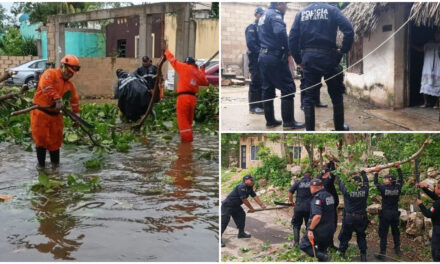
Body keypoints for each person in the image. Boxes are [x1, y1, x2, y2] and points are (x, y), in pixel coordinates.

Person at [289, 2, 354, 131]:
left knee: (309, 96)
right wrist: (343, 50)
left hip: (309, 58)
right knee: (336, 94)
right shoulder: (332, 10)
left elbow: (292, 39)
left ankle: (309, 129)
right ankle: (339, 127)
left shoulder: (301, 13)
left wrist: (299, 60)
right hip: (329, 57)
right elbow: (349, 30)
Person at [257, 2, 305, 130]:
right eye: (285, 4)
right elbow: (280, 33)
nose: (287, 7)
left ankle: (270, 121)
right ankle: (289, 123)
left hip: (263, 56)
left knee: (267, 88)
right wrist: (288, 50)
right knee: (288, 87)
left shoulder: (263, 16)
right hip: (274, 57)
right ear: (278, 4)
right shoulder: (275, 15)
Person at [31, 55, 81, 168]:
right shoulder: (50, 73)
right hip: (41, 112)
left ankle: (55, 168)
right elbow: (46, 86)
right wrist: (57, 98)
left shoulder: (69, 85)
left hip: (55, 115)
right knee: (41, 141)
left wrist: (76, 115)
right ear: (63, 66)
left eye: (72, 73)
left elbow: (74, 100)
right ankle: (41, 167)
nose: (69, 74)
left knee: (55, 142)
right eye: (68, 71)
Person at [163, 43, 209, 142]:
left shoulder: (184, 67)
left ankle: (186, 145)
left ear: (186, 62)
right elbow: (205, 82)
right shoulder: (198, 73)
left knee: (183, 121)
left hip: (183, 98)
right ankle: (188, 139)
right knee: (189, 121)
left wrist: (166, 51)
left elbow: (172, 61)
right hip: (193, 99)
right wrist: (203, 70)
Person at [221, 175, 266, 247]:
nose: (252, 182)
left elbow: (254, 196)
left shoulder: (249, 187)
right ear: (246, 180)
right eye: (251, 180)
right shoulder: (241, 187)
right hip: (227, 205)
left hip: (236, 206)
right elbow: (244, 199)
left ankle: (241, 233)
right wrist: (251, 208)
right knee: (224, 222)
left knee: (241, 215)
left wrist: (261, 205)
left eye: (253, 180)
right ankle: (219, 238)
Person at [299, 178, 335, 261]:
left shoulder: (317, 198)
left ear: (314, 187)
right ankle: (323, 257)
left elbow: (317, 216)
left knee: (304, 245)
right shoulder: (329, 195)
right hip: (329, 228)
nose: (310, 189)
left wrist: (310, 230)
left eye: (310, 187)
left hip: (319, 228)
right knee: (322, 248)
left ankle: (324, 257)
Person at [337, 171, 369, 261]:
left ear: (353, 183)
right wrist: (363, 173)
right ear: (360, 183)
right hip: (361, 218)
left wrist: (340, 172)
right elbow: (366, 182)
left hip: (349, 218)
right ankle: (363, 255)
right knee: (361, 236)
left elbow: (340, 182)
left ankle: (342, 253)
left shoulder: (347, 191)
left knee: (345, 235)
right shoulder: (364, 190)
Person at [374, 162, 403, 259]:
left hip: (385, 215)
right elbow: (401, 181)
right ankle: (397, 249)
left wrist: (376, 172)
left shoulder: (383, 188)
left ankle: (382, 253)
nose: (384, 180)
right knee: (395, 232)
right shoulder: (397, 188)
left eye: (386, 179)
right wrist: (398, 168)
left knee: (383, 233)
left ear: (390, 181)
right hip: (394, 214)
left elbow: (376, 183)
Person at [245, 6, 265, 115]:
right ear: (256, 15)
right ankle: (253, 106)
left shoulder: (263, 27)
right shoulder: (251, 27)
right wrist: (262, 52)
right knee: (256, 81)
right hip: (255, 58)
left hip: (263, 59)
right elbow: (251, 44)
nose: (261, 16)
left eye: (263, 15)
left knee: (263, 82)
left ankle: (261, 104)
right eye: (260, 14)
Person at [413, 30, 440, 108]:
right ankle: (426, 103)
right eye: (436, 34)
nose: (437, 36)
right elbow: (420, 49)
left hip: (437, 67)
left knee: (438, 85)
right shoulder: (429, 44)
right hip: (427, 67)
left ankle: (437, 104)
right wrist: (412, 45)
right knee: (425, 85)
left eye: (438, 34)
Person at [317, 161, 339, 250]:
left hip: (323, 208)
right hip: (330, 208)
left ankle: (325, 245)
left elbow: (325, 173)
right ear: (327, 174)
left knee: (324, 226)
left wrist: (329, 163)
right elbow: (333, 172)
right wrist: (332, 164)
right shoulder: (328, 181)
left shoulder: (319, 180)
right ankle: (328, 245)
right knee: (331, 226)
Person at [288, 171, 312, 247]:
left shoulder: (298, 182)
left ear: (304, 176)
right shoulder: (313, 182)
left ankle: (296, 243)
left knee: (296, 225)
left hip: (298, 206)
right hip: (309, 207)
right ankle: (307, 243)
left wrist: (291, 202)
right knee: (309, 225)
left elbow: (290, 192)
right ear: (310, 176)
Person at [417, 181, 440, 261]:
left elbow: (428, 214)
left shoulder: (437, 204)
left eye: (436, 187)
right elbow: (435, 196)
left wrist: (421, 205)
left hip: (438, 230)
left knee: (436, 252)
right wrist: (423, 188)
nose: (435, 188)